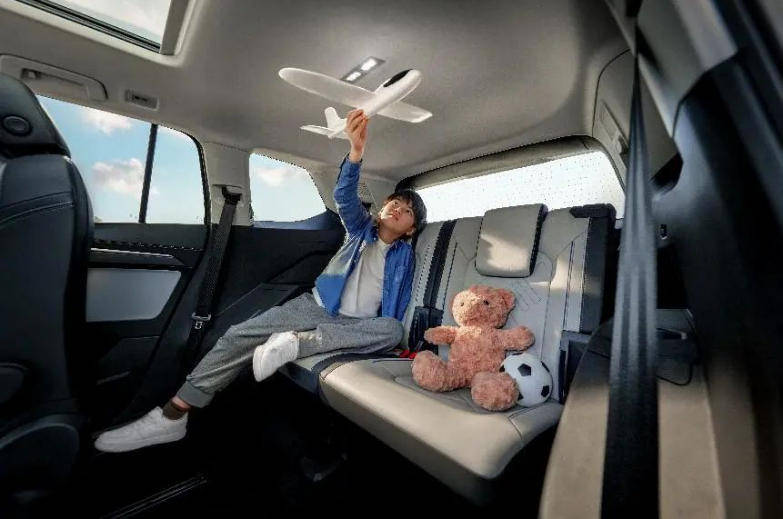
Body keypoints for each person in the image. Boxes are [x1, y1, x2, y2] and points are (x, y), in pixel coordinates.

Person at [95, 109, 427, 452]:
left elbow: (396, 309)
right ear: (381, 209)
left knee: (391, 329)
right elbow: (344, 197)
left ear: (411, 229)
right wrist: (355, 152)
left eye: (407, 211)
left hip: (357, 326)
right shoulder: (360, 228)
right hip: (316, 308)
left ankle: (296, 344)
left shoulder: (405, 256)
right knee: (238, 334)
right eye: (395, 202)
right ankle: (173, 415)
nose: (397, 209)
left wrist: (392, 341)